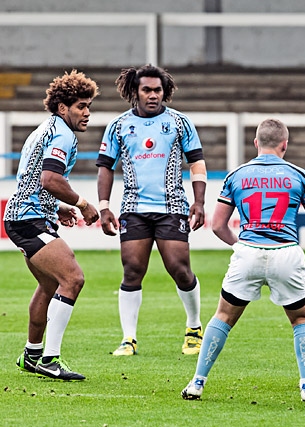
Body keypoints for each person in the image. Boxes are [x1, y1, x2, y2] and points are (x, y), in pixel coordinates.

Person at [181, 118, 305, 402]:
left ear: (256, 143)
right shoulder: (299, 175)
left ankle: (197, 383)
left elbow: (217, 226)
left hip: (248, 252)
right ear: (284, 145)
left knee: (223, 317)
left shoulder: (236, 175)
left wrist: (242, 246)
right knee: (301, 318)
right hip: (285, 253)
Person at [96, 65, 207, 356]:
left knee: (180, 270)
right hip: (133, 209)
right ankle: (128, 339)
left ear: (165, 92)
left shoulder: (180, 123)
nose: (153, 95)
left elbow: (196, 163)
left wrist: (199, 201)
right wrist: (104, 207)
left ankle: (194, 328)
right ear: (135, 92)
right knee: (132, 270)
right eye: (147, 90)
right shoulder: (119, 125)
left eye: (158, 90)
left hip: (172, 208)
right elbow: (105, 167)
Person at [6, 70, 100, 380]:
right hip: (28, 219)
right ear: (62, 108)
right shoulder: (62, 134)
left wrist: (56, 206)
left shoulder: (46, 129)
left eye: (88, 106)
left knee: (49, 285)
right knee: (72, 278)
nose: (87, 113)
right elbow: (50, 178)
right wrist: (82, 204)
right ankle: (50, 358)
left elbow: (34, 180)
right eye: (80, 106)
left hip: (27, 215)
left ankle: (32, 356)